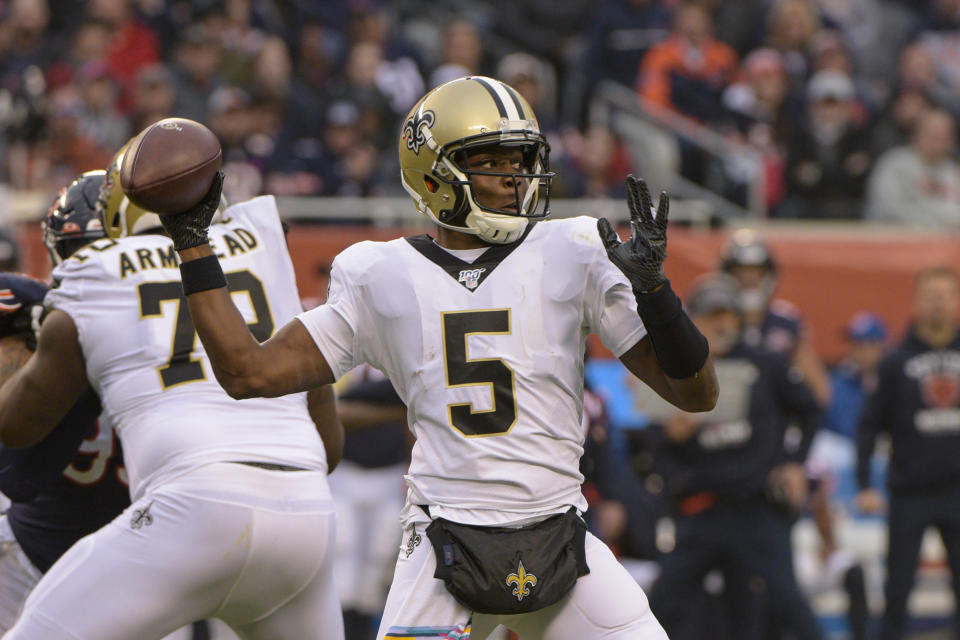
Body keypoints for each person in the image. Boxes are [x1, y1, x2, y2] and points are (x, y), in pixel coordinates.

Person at [158, 75, 718, 639]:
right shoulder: (379, 273)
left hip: (560, 538)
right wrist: (192, 243)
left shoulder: (573, 247)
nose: (515, 177)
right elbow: (246, 372)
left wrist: (655, 292)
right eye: (491, 162)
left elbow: (696, 393)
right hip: (442, 544)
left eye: (522, 159)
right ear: (434, 176)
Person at [0, 145, 345, 639]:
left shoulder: (94, 272)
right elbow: (329, 449)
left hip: (190, 513)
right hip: (306, 515)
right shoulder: (266, 251)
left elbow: (15, 429)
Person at [645, 275, 823, 640]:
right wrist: (671, 444)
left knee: (785, 604)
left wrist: (794, 461)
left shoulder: (767, 363)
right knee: (663, 602)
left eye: (727, 315)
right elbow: (651, 443)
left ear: (741, 320)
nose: (720, 324)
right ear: (691, 321)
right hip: (702, 509)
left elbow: (811, 409)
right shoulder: (673, 371)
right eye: (710, 316)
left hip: (756, 508)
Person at [856, 265, 960, 640]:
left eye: (945, 295)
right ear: (917, 301)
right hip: (910, 491)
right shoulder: (895, 361)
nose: (937, 303)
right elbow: (869, 426)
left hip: (957, 489)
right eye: (930, 295)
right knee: (897, 589)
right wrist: (865, 484)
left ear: (956, 300)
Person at [720, 228, 832, 407]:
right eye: (741, 271)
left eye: (756, 271)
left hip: (773, 419)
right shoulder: (711, 318)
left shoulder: (785, 321)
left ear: (768, 274)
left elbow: (820, 392)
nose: (749, 279)